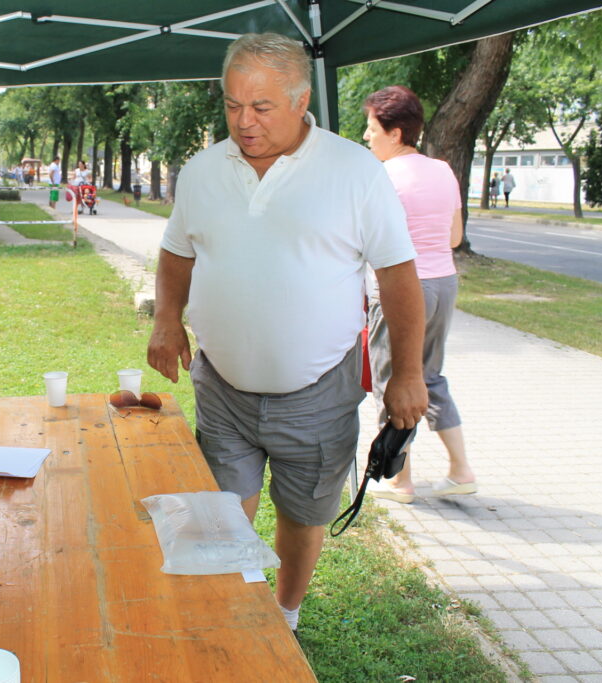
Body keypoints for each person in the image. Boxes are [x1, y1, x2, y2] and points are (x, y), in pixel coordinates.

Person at [147, 32, 427, 638]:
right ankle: (232, 612)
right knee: (225, 508)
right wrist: (167, 317)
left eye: (261, 107)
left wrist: (406, 372)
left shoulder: (354, 170)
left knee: (302, 513)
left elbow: (400, 278)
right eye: (231, 105)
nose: (243, 122)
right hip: (221, 384)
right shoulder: (202, 170)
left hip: (318, 390)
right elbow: (176, 252)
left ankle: (285, 615)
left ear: (303, 102)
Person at [362, 85, 476, 504]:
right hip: (444, 283)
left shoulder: (382, 177)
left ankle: (400, 480)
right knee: (430, 377)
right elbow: (454, 236)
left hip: (399, 291)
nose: (366, 136)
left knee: (391, 380)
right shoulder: (444, 170)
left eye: (372, 128)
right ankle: (461, 469)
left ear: (395, 133)